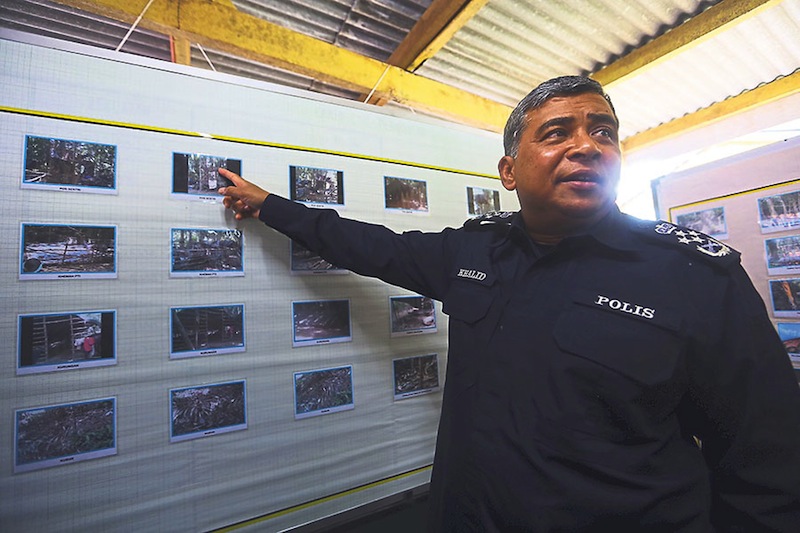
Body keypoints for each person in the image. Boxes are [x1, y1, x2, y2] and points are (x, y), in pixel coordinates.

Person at [218, 76, 800, 531]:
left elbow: (767, 461)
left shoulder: (693, 275)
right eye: (557, 133)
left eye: (603, 132)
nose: (587, 146)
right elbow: (371, 247)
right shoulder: (476, 250)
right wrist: (269, 206)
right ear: (509, 171)